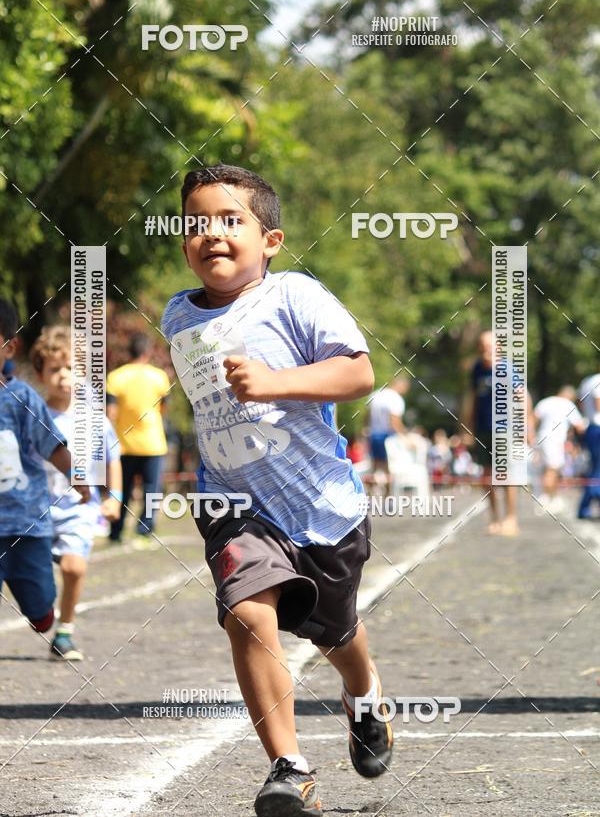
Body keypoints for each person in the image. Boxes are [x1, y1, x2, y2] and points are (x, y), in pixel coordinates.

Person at [161, 164, 393, 817]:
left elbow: (359, 372)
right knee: (246, 611)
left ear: (271, 240)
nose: (211, 234)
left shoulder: (295, 296)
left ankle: (365, 695)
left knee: (337, 633)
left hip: (322, 508)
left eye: (230, 220)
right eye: (196, 224)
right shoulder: (178, 314)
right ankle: (289, 769)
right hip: (235, 508)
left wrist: (273, 382)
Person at [31, 326, 122, 660]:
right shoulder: (33, 415)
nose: (64, 376)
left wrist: (115, 498)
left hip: (79, 508)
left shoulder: (92, 417)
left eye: (71, 368)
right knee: (33, 577)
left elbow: (113, 455)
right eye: (55, 369)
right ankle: (43, 609)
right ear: (40, 373)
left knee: (74, 569)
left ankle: (65, 632)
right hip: (35, 510)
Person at [0, 299, 90, 636]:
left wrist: (78, 477)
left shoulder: (20, 397)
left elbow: (51, 444)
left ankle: (44, 615)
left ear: (10, 348)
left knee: (40, 609)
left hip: (27, 525)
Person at [106, 333, 170, 547]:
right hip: (153, 443)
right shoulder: (159, 376)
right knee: (151, 491)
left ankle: (116, 532)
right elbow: (164, 408)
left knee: (121, 489)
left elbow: (110, 412)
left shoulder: (116, 377)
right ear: (147, 352)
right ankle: (144, 531)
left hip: (123, 445)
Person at [466, 330, 520, 536]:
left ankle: (511, 518)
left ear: (498, 347)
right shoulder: (477, 369)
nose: (486, 349)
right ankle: (495, 518)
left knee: (506, 475)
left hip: (503, 428)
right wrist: (467, 428)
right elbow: (472, 400)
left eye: (490, 345)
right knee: (486, 477)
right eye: (482, 345)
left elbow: (522, 396)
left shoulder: (506, 368)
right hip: (482, 429)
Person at [533, 386, 586, 516]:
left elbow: (532, 419)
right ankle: (544, 499)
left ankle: (553, 497)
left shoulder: (545, 401)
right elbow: (580, 426)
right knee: (552, 469)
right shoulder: (567, 404)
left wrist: (531, 437)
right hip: (555, 440)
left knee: (551, 469)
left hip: (542, 438)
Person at [367, 377, 409, 478]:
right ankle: (388, 492)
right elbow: (394, 422)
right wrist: (405, 435)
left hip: (373, 434)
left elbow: (367, 417)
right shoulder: (396, 398)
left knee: (374, 466)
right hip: (388, 436)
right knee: (390, 467)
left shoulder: (376, 394)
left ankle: (370, 491)